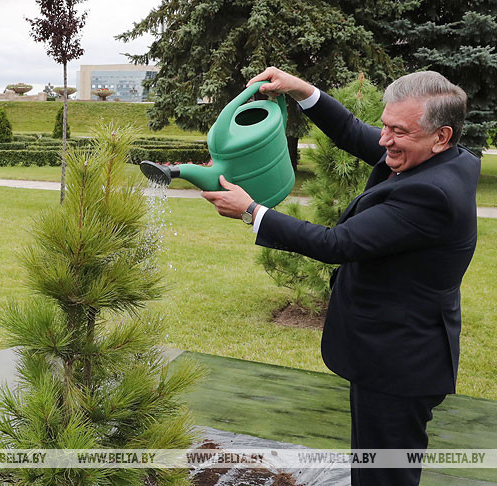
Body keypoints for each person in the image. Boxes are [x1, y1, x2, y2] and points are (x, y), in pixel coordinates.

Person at [202, 67, 479, 486]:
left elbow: (338, 244)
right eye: (385, 125)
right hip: (394, 348)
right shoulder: (440, 156)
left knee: (384, 474)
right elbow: (353, 132)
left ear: (441, 135)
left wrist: (251, 211)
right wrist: (302, 90)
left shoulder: (431, 194)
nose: (384, 139)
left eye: (397, 131)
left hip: (399, 362)